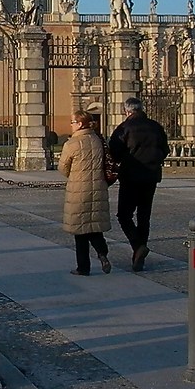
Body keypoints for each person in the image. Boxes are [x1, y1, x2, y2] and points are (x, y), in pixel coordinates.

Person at [106, 97, 169, 271]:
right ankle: (138, 256)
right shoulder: (156, 127)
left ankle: (138, 246)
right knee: (144, 216)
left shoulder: (124, 128)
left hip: (130, 177)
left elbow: (114, 152)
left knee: (124, 215)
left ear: (127, 111)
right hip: (151, 177)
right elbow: (165, 150)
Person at [57, 113, 111, 276]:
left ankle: (83, 267)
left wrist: (74, 175)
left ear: (80, 124)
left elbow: (63, 167)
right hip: (99, 187)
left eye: (73, 122)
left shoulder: (72, 143)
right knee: (94, 224)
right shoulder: (98, 141)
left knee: (80, 230)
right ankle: (102, 253)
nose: (71, 125)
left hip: (78, 189)